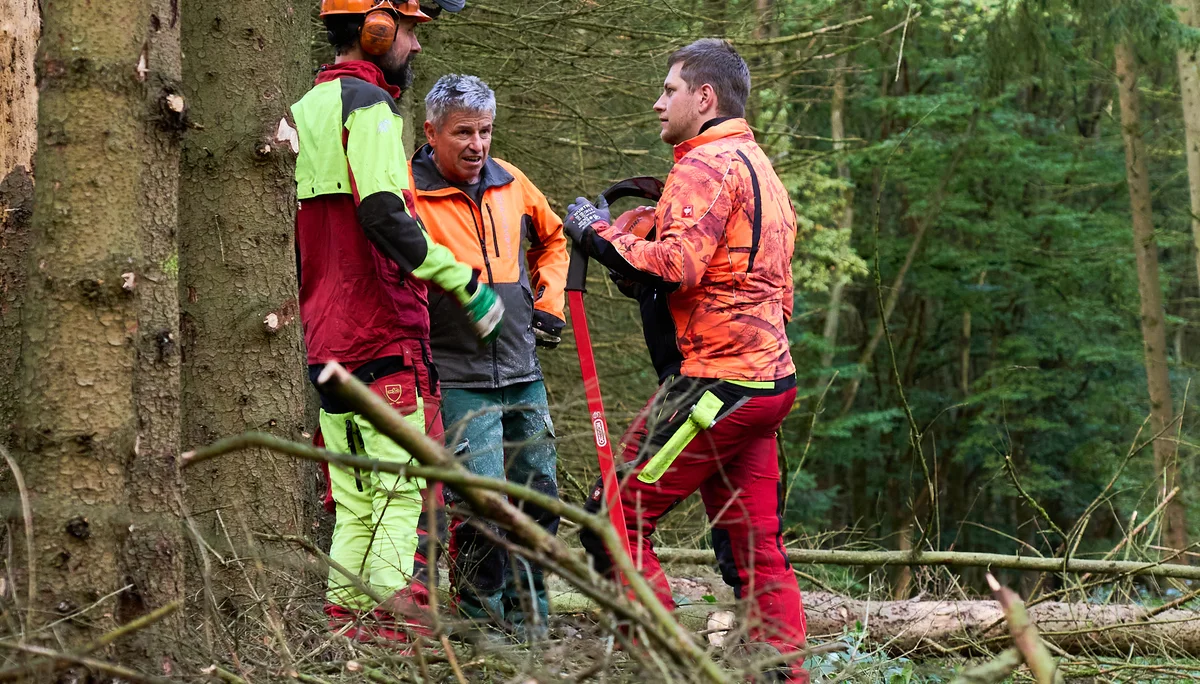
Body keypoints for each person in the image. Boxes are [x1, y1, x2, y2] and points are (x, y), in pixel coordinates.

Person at [565, 39, 808, 680]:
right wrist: (633, 235)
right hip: (766, 383)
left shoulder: (704, 166)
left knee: (609, 521)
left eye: (668, 90)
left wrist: (597, 232)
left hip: (717, 385)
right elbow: (752, 280)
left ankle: (663, 668)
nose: (657, 102)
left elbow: (676, 268)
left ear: (704, 98)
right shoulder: (761, 168)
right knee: (757, 551)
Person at [291, 0, 504, 640]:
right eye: (409, 31)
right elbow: (385, 214)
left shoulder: (305, 109)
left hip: (323, 334)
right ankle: (388, 635)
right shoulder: (371, 110)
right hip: (379, 332)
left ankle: (344, 631)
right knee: (399, 496)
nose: (414, 47)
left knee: (356, 501)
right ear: (376, 30)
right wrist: (461, 281)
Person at [408, 74, 569, 640]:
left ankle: (533, 616)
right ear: (431, 132)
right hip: (456, 374)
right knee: (482, 502)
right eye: (463, 133)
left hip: (523, 369)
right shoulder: (410, 193)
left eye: (485, 132)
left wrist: (549, 299)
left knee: (539, 496)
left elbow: (555, 240)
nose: (477, 145)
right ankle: (482, 622)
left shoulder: (513, 182)